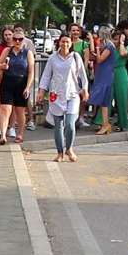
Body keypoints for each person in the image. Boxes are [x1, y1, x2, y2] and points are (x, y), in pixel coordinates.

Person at [37, 33, 89, 162]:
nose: (65, 44)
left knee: (70, 124)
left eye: (67, 42)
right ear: (58, 43)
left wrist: (85, 90)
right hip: (56, 94)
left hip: (72, 94)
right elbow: (46, 76)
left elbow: (83, 75)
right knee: (58, 125)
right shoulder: (53, 58)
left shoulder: (76, 57)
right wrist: (41, 91)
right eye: (62, 42)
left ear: (71, 43)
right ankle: (60, 152)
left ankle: (69, 148)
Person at [0, 24, 35, 145]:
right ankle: (3, 135)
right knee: (5, 108)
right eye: (15, 39)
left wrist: (28, 87)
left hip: (21, 83)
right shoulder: (7, 51)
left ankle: (20, 133)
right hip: (7, 82)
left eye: (20, 39)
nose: (17, 41)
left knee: (19, 111)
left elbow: (31, 71)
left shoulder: (27, 53)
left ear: (24, 40)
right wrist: (3, 66)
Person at [89, 28, 116, 135]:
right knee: (104, 101)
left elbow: (100, 60)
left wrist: (97, 49)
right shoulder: (109, 46)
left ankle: (105, 124)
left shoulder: (109, 46)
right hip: (104, 74)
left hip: (105, 75)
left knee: (103, 98)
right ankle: (105, 124)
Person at [0, 26, 15, 139]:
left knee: (13, 106)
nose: (8, 37)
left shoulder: (19, 48)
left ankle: (11, 127)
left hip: (15, 80)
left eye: (10, 34)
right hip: (1, 78)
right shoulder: (0, 49)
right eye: (6, 35)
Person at [110, 30, 128, 132]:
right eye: (114, 39)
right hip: (110, 73)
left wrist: (122, 42)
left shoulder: (126, 48)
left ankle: (123, 123)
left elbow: (123, 54)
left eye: (117, 39)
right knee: (107, 97)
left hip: (121, 73)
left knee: (121, 99)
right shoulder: (111, 48)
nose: (116, 41)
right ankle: (103, 122)